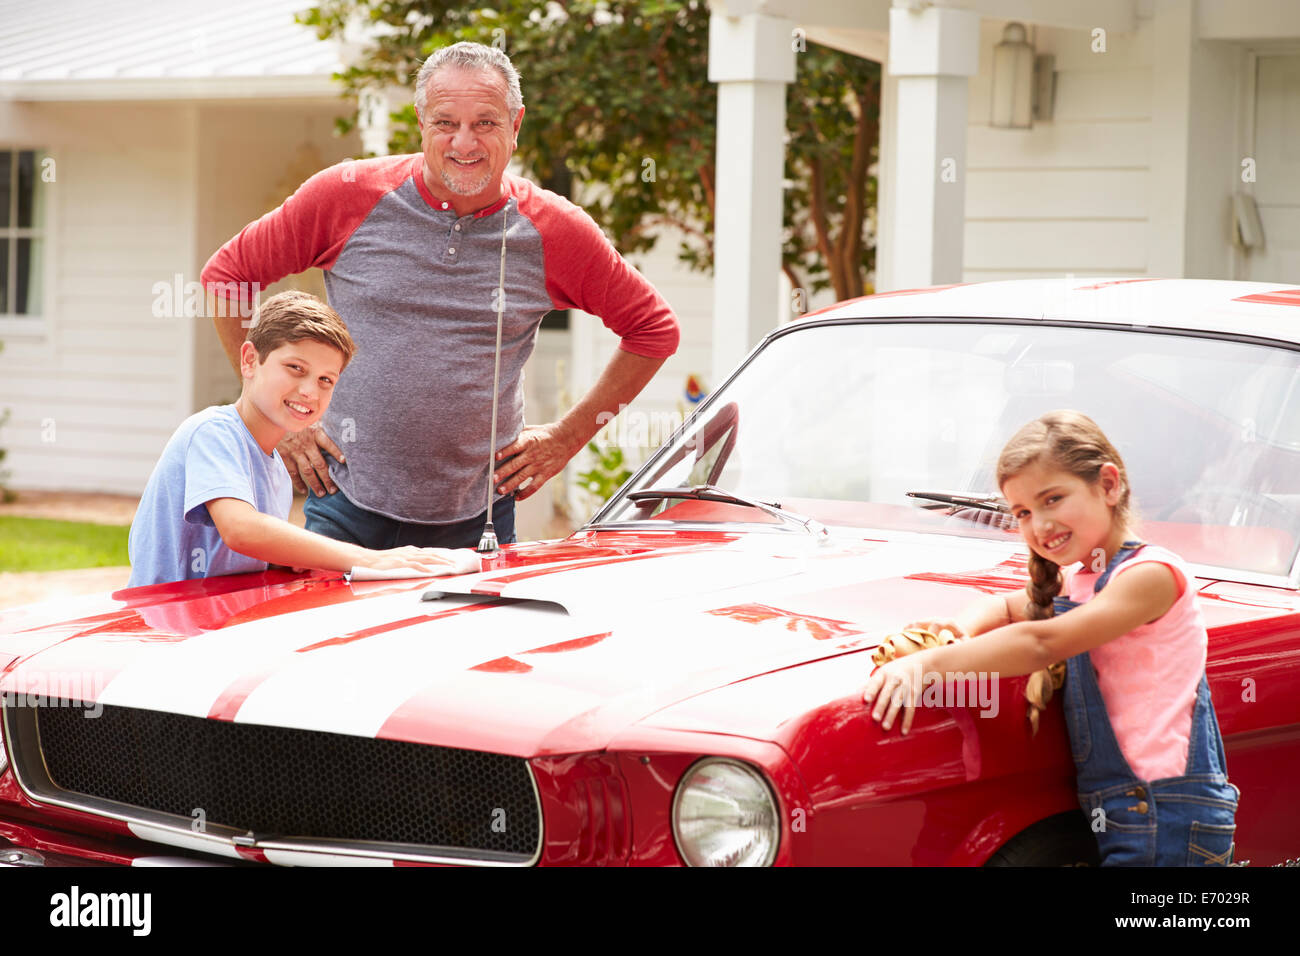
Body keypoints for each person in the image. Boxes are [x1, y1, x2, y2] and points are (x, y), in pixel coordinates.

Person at [200, 41, 680, 551]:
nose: (464, 142)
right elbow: (227, 277)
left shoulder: (553, 231)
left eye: (486, 123)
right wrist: (276, 414)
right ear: (421, 122)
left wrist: (567, 437)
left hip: (480, 519)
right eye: (446, 122)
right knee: (344, 635)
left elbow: (653, 330)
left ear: (516, 126)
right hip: (345, 505)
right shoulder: (344, 196)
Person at [861, 410, 1240, 866]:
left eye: (1053, 499)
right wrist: (956, 634)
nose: (1039, 525)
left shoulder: (1152, 576)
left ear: (1108, 485)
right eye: (1022, 512)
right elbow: (1003, 607)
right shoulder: (1079, 582)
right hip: (1118, 809)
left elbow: (1046, 641)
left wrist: (925, 666)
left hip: (1170, 812)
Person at [127, 291, 462, 587]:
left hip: (218, 627)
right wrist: (371, 559)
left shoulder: (274, 469)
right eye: (295, 368)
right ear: (249, 360)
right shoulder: (213, 432)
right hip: (165, 628)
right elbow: (241, 530)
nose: (309, 391)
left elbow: (254, 554)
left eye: (325, 380)